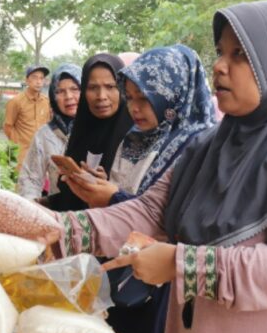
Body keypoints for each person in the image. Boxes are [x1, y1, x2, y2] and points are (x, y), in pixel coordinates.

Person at [20, 0, 267, 333]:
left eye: (240, 55)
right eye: (220, 52)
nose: (218, 66)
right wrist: (57, 228)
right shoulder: (208, 148)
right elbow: (149, 210)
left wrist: (181, 264)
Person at [62, 45, 216, 209]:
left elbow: (169, 218)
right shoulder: (132, 139)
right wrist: (100, 188)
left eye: (144, 98)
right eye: (128, 97)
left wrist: (113, 197)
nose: (133, 108)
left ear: (173, 95)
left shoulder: (199, 149)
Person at [44, 54, 132, 212]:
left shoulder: (137, 138)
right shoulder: (79, 133)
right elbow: (66, 198)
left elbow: (145, 206)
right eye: (92, 88)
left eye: (110, 87)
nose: (101, 96)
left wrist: (107, 191)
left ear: (123, 88)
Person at [16, 64, 81, 199]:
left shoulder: (99, 129)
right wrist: (33, 209)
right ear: (53, 95)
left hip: (95, 215)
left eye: (75, 89)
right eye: (60, 91)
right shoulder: (45, 134)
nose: (68, 96)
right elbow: (30, 179)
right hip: (56, 215)